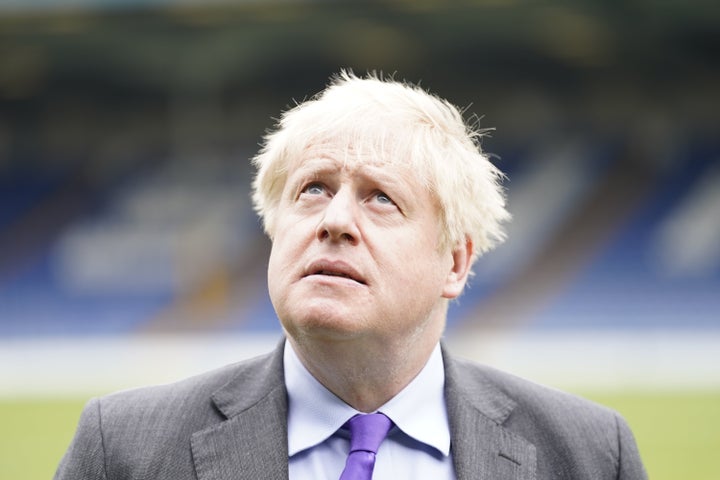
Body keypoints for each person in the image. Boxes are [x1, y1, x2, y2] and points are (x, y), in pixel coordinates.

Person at [55, 71, 647, 479]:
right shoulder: (124, 450)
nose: (335, 220)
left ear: (456, 261)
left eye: (381, 198)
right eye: (313, 189)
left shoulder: (588, 455)